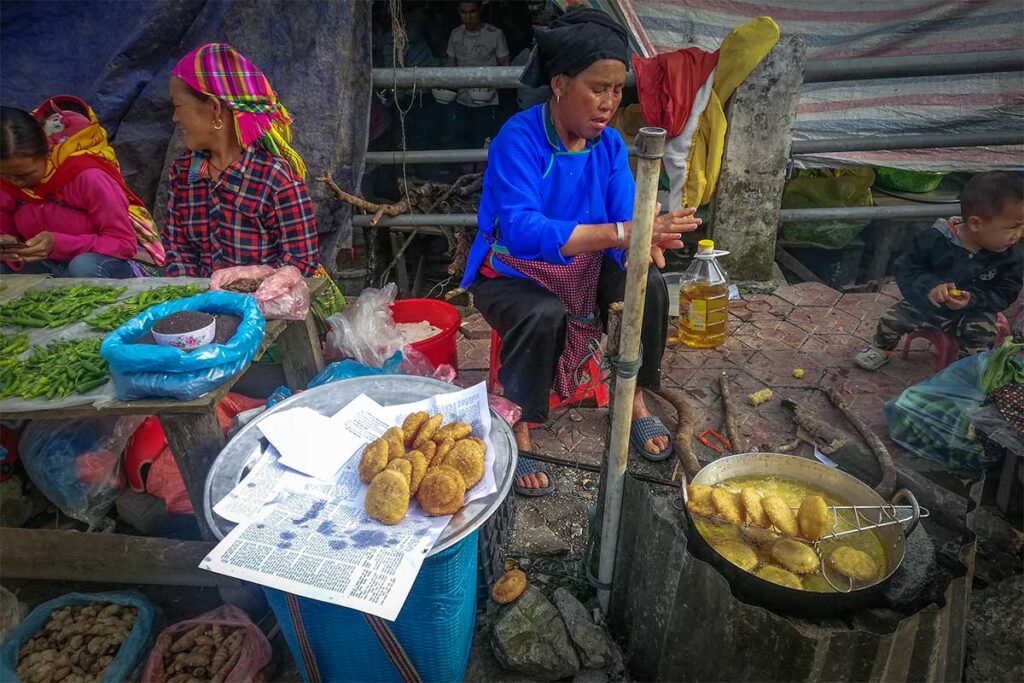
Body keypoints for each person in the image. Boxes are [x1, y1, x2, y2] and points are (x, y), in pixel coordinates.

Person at [461, 9, 701, 495]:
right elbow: (524, 230)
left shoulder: (609, 146)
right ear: (559, 84)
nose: (609, 102)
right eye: (597, 87)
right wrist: (624, 233)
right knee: (541, 314)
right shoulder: (518, 139)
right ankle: (520, 423)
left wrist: (644, 244)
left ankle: (632, 400)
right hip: (512, 272)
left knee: (649, 287)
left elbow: (624, 214)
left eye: (617, 89)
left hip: (585, 267)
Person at [164, 43, 319, 277]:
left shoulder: (275, 180)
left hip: (265, 307)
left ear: (215, 110)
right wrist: (196, 298)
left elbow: (299, 262)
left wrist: (246, 286)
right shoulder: (183, 173)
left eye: (178, 106)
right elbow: (177, 249)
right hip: (201, 307)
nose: (175, 118)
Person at [855, 171, 1023, 371]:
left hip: (974, 310)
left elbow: (1007, 292)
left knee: (981, 333)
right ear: (976, 224)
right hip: (929, 304)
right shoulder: (935, 240)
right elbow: (906, 268)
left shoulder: (1011, 255)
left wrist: (973, 299)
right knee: (892, 320)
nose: (1017, 235)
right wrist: (930, 287)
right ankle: (882, 349)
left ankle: (965, 369)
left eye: (1022, 227)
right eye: (1013, 227)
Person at [1, 98, 163, 278]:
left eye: (24, 175)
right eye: (5, 176)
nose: (14, 182)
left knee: (83, 266)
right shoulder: (5, 184)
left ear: (46, 151)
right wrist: (9, 247)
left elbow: (123, 244)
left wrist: (59, 244)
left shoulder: (88, 177)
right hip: (53, 264)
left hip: (112, 262)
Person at [446, 1, 509, 148]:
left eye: (472, 12)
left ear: (480, 11)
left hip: (487, 102)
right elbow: (450, 66)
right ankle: (466, 171)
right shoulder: (455, 35)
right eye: (464, 12)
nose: (468, 17)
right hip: (462, 100)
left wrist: (493, 87)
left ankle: (482, 171)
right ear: (459, 12)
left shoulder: (495, 34)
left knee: (484, 143)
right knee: (463, 143)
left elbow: (505, 66)